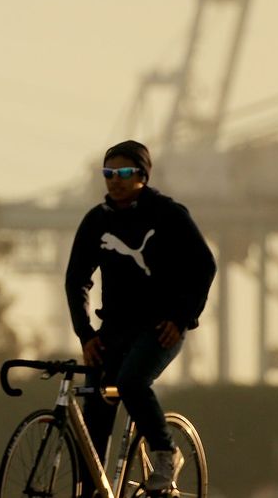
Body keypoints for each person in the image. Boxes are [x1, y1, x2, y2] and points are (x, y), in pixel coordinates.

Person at [65, 140, 216, 496]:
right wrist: (86, 335)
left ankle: (165, 453)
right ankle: (93, 490)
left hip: (161, 329)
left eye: (124, 173)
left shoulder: (168, 215)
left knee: (132, 382)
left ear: (143, 175)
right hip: (114, 329)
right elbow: (76, 280)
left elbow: (204, 266)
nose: (115, 180)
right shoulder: (96, 221)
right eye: (108, 173)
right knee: (96, 412)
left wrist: (182, 318)